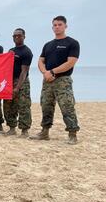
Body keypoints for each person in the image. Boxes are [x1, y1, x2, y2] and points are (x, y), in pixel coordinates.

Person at [31, 16, 80, 145]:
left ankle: (72, 134)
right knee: (46, 106)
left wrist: (53, 72)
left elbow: (71, 62)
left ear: (65, 26)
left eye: (59, 24)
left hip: (63, 80)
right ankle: (45, 132)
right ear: (52, 27)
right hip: (47, 80)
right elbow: (41, 61)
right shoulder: (48, 45)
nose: (57, 27)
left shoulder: (72, 43)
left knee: (67, 106)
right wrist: (45, 72)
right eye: (55, 25)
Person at [3, 28, 33, 137]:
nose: (16, 37)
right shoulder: (11, 51)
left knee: (23, 106)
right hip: (9, 81)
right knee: (8, 105)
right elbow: (5, 66)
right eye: (14, 36)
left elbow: (24, 71)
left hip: (22, 82)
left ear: (24, 37)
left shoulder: (27, 51)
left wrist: (17, 87)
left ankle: (24, 131)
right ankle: (12, 128)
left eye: (19, 35)